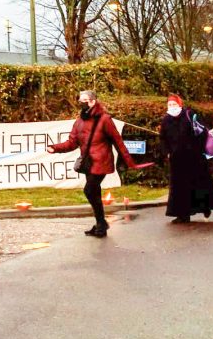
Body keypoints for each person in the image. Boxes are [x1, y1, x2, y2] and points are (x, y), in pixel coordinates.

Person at [47, 90, 146, 238]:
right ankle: (101, 224)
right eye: (80, 100)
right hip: (88, 163)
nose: (81, 103)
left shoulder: (104, 119)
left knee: (89, 190)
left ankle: (101, 223)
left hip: (101, 162)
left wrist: (129, 162)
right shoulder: (79, 121)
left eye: (84, 100)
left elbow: (117, 141)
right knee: (94, 192)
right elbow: (72, 143)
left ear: (93, 101)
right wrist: (54, 148)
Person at [159, 94, 213, 223]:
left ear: (180, 105)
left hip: (195, 158)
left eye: (174, 104)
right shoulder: (166, 120)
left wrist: (197, 149)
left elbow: (202, 132)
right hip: (177, 160)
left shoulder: (189, 115)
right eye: (169, 105)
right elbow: (163, 138)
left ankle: (206, 207)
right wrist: (167, 152)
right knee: (180, 188)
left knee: (200, 184)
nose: (172, 107)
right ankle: (183, 214)